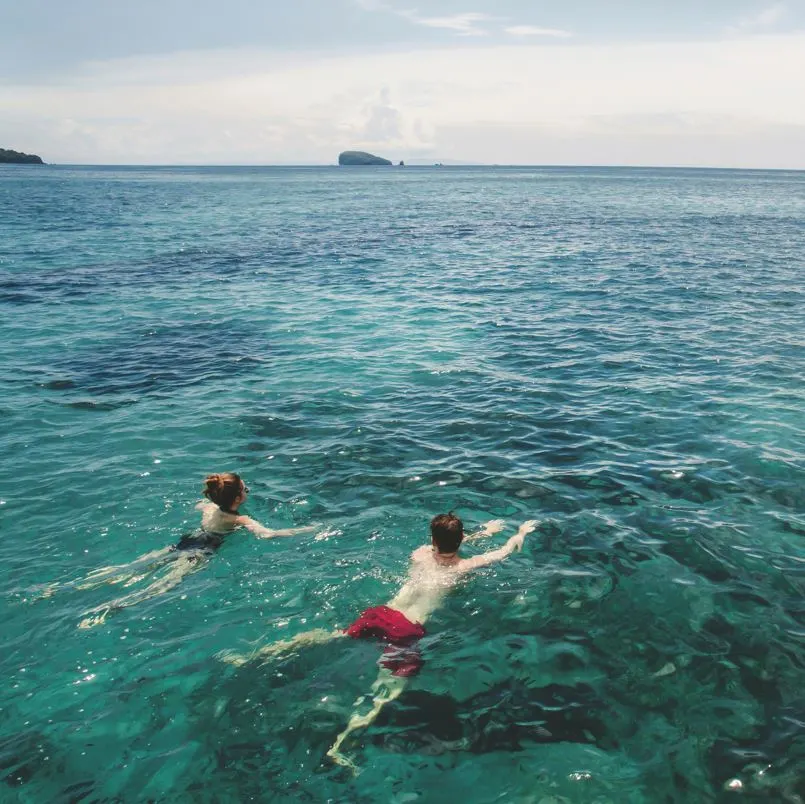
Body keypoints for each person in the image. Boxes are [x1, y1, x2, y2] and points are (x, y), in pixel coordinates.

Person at [219, 512, 537, 770]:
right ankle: (342, 743)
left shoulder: (421, 554)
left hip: (381, 613)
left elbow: (446, 545)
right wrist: (518, 532)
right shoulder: (464, 567)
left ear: (431, 539)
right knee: (384, 689)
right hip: (407, 630)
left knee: (327, 637)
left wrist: (478, 533)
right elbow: (504, 551)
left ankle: (256, 656)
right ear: (460, 541)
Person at [60, 473, 314, 628]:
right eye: (245, 490)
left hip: (185, 542)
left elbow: (198, 504)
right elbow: (267, 534)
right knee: (162, 585)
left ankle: (73, 587)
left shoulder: (208, 507)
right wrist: (304, 530)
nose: (247, 491)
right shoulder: (238, 519)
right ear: (237, 499)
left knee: (131, 567)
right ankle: (114, 607)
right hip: (201, 552)